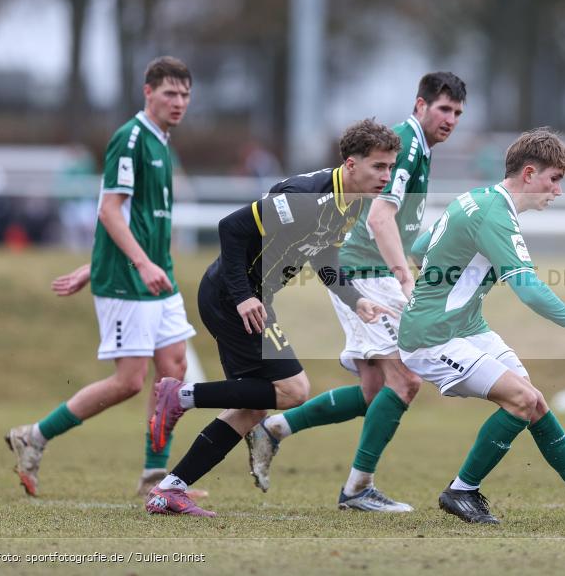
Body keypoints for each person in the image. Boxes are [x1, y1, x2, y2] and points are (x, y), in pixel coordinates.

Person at [143, 119, 400, 516]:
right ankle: (179, 395)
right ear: (351, 164)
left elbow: (323, 253)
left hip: (251, 297)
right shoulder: (305, 195)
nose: (386, 176)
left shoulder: (350, 204)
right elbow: (230, 229)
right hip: (231, 296)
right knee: (294, 389)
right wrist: (243, 296)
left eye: (389, 167)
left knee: (253, 408)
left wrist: (355, 299)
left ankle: (170, 489)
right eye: (378, 167)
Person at [245, 73, 467, 512]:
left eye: (458, 113)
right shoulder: (402, 147)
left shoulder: (416, 148)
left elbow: (397, 220)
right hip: (366, 271)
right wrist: (405, 277)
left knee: (373, 391)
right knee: (405, 381)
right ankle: (356, 490)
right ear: (420, 105)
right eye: (444, 109)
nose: (451, 119)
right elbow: (380, 219)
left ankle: (274, 429)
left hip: (365, 268)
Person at [396, 128, 565, 525]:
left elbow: (422, 248)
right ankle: (462, 489)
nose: (557, 191)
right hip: (431, 336)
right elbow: (529, 290)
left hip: (465, 327)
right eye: (554, 179)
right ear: (528, 172)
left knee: (534, 403)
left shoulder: (475, 199)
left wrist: (448, 286)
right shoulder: (496, 214)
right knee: (521, 401)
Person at [5, 57, 203, 499]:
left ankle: (156, 475)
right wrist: (136, 264)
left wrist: (95, 264)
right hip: (130, 279)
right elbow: (109, 209)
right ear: (147, 92)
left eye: (185, 94)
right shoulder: (130, 138)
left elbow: (131, 219)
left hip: (155, 276)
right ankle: (34, 435)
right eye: (170, 93)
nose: (179, 102)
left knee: (172, 370)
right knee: (130, 381)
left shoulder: (162, 142)